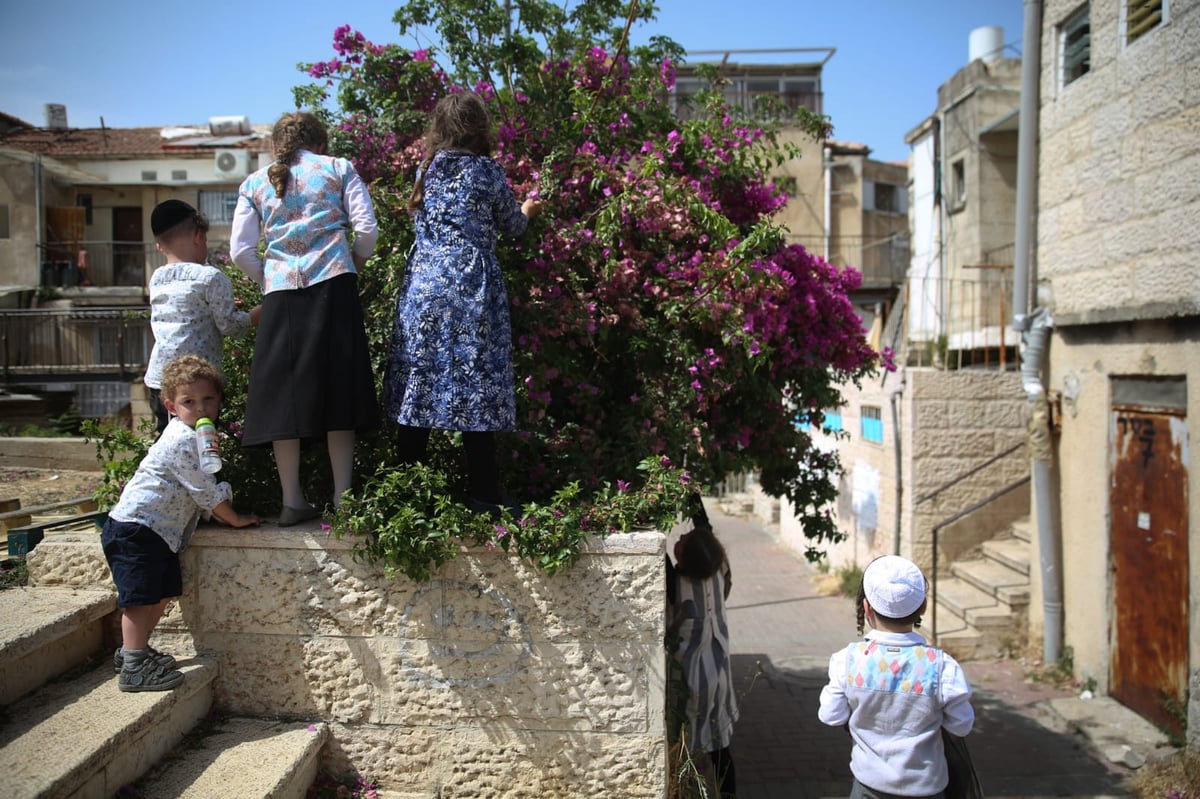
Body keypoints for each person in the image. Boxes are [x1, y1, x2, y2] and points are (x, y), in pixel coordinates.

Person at [385, 91, 541, 516]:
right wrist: (528, 207)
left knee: (420, 381)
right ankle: (485, 495)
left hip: (425, 285)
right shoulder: (486, 170)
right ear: (478, 128)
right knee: (477, 381)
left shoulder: (427, 169)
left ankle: (406, 493)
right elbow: (513, 225)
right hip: (471, 285)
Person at [231, 112, 380, 524]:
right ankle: (345, 498)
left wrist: (270, 277)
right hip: (335, 286)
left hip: (280, 295)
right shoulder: (338, 168)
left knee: (283, 398)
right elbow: (367, 230)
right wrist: (355, 262)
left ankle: (292, 500)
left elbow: (240, 251)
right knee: (340, 393)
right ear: (320, 141)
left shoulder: (253, 184)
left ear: (276, 143)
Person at [102, 355, 260, 692]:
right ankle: (133, 666)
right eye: (189, 402)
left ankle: (135, 651)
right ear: (172, 407)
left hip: (158, 533)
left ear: (218, 400)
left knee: (160, 594)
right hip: (137, 527)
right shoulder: (181, 440)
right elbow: (204, 490)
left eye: (208, 399)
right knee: (141, 598)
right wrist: (234, 519)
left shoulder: (197, 435)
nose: (200, 408)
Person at [818, 555, 975, 799]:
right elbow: (961, 725)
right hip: (928, 787)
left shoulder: (847, 661)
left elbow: (830, 715)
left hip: (868, 786)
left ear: (867, 607)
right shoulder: (943, 667)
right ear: (922, 606)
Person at [145, 199, 260, 436]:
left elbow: (185, 311)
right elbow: (231, 327)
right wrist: (258, 313)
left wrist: (214, 308)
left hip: (159, 380)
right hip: (195, 385)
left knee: (167, 445)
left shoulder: (156, 278)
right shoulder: (210, 277)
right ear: (199, 237)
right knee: (201, 446)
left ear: (159, 247)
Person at [666, 518, 739, 798]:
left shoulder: (674, 584)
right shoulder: (719, 571)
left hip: (689, 681)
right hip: (718, 678)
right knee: (720, 749)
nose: (680, 536)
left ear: (684, 561)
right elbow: (704, 530)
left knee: (683, 749)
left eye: (683, 542)